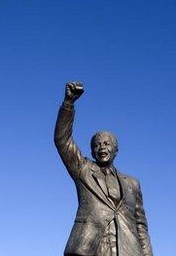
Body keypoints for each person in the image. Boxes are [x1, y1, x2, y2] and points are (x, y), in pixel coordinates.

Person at [54, 82, 153, 256]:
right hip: (91, 248)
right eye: (97, 145)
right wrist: (68, 103)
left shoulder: (132, 184)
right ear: (92, 151)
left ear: (116, 150)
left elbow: (141, 226)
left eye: (107, 144)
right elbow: (63, 140)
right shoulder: (83, 169)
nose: (102, 147)